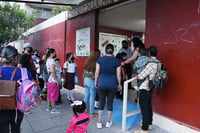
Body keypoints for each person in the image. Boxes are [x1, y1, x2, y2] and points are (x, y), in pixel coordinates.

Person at [0, 46, 33, 133]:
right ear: (15, 58)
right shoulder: (24, 72)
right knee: (16, 129)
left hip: (1, 108)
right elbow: (32, 89)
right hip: (18, 109)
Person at [95, 44, 122, 128]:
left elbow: (97, 72)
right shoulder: (117, 61)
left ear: (105, 50)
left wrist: (96, 82)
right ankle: (108, 122)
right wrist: (119, 84)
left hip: (102, 83)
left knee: (101, 102)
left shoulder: (100, 59)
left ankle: (99, 122)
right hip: (112, 84)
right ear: (113, 50)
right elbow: (119, 74)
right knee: (110, 102)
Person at [134, 46, 159, 133]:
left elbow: (141, 76)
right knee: (148, 106)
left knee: (144, 107)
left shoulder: (151, 64)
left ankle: (144, 128)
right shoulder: (158, 63)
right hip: (151, 87)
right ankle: (149, 124)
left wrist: (137, 76)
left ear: (149, 53)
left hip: (145, 87)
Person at [83, 49, 100, 117]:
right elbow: (97, 73)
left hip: (85, 80)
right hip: (92, 81)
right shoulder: (97, 62)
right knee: (92, 97)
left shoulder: (87, 61)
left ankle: (84, 110)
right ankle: (92, 112)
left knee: (86, 95)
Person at [46, 48, 61, 113]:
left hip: (50, 80)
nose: (55, 54)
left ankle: (49, 107)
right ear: (52, 53)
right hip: (53, 80)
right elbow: (52, 71)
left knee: (49, 94)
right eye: (54, 52)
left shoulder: (48, 60)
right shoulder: (52, 61)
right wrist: (56, 80)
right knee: (53, 95)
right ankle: (53, 109)